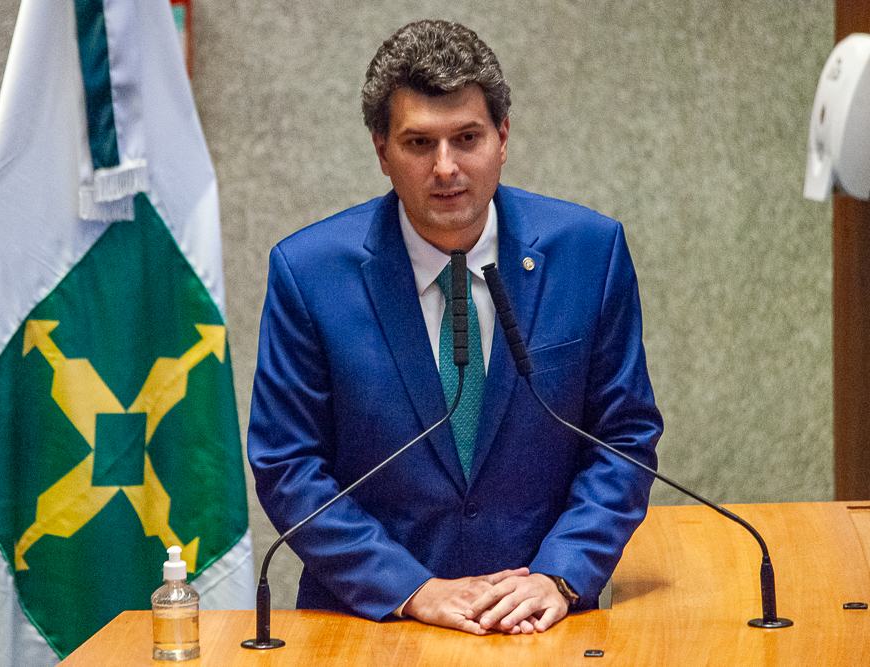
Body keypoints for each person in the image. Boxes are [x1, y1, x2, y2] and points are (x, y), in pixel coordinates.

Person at [247, 19, 662, 636]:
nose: (446, 167)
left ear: (502, 137)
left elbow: (622, 437)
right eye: (419, 143)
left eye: (467, 138)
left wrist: (561, 573)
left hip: (540, 619)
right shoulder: (309, 273)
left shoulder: (589, 253)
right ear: (382, 151)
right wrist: (410, 588)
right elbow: (288, 464)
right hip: (372, 625)